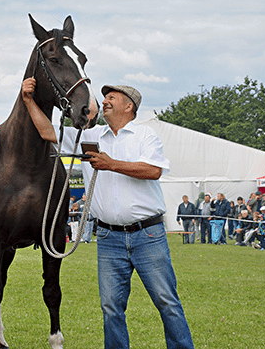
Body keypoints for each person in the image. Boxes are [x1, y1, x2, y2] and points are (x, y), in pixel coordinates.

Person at [22, 78, 193, 348]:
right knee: (111, 307)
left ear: (129, 106)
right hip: (109, 237)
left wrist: (111, 164)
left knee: (166, 302)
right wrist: (29, 100)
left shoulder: (145, 136)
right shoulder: (90, 136)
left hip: (147, 234)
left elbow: (154, 170)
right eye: (105, 98)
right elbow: (47, 132)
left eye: (112, 98)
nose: (105, 101)